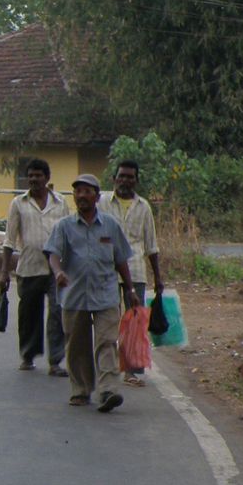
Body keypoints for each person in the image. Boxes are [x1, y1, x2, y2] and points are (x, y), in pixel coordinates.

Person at [45, 173, 138, 413]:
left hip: (105, 294)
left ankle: (108, 390)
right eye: (78, 192)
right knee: (77, 346)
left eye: (87, 191)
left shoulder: (110, 225)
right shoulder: (64, 226)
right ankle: (81, 390)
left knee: (107, 342)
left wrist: (129, 289)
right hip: (74, 296)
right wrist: (57, 273)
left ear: (97, 197)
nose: (82, 196)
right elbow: (53, 253)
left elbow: (121, 260)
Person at [0, 158, 69, 375]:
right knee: (29, 314)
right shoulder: (18, 203)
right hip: (29, 267)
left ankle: (55, 361)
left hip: (56, 269)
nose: (34, 180)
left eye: (38, 176)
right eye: (30, 176)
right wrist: (4, 271)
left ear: (47, 178)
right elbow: (9, 239)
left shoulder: (61, 203)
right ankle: (28, 356)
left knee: (58, 312)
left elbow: (68, 234)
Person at [99, 159, 163, 387]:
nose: (125, 180)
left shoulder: (143, 207)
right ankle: (107, 366)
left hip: (135, 271)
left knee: (135, 322)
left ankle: (133, 371)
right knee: (108, 320)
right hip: (107, 271)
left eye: (130, 177)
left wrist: (158, 278)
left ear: (136, 180)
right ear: (114, 178)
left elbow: (151, 245)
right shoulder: (102, 202)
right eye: (121, 176)